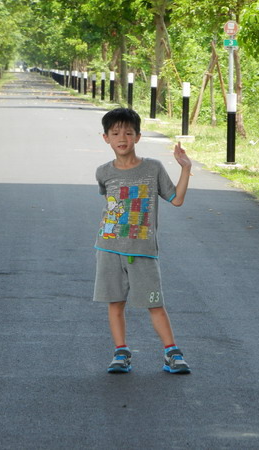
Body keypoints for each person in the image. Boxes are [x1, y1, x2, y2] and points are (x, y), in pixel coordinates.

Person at [93, 108, 192, 374]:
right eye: (115, 133)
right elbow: (111, 205)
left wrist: (186, 168)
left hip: (144, 251)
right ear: (106, 138)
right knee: (115, 302)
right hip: (109, 248)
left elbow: (177, 199)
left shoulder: (153, 168)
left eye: (128, 132)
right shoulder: (103, 172)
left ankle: (172, 353)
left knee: (154, 302)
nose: (122, 138)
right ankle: (121, 353)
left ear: (137, 136)